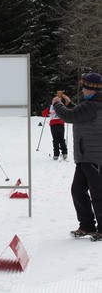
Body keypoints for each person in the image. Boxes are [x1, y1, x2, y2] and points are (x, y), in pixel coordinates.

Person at [52, 72, 102, 241]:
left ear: (91, 89)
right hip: (86, 156)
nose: (83, 91)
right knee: (78, 190)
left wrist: (57, 104)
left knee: (98, 193)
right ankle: (87, 225)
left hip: (93, 156)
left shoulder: (93, 105)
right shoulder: (93, 104)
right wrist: (69, 103)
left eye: (85, 88)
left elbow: (69, 116)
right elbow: (79, 114)